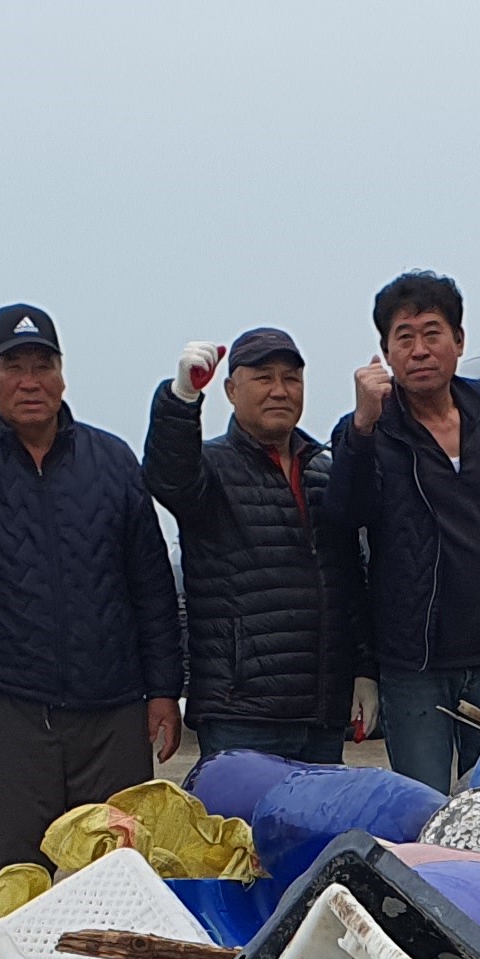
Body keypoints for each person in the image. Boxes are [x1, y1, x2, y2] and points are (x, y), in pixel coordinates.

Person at [0, 303, 181, 883]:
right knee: (19, 874)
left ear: (62, 374)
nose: (29, 381)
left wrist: (164, 689)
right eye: (12, 366)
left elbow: (150, 582)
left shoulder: (112, 459)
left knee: (118, 871)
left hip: (112, 710)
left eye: (42, 364)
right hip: (9, 712)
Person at [325, 271, 480, 793]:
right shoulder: (370, 430)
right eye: (404, 337)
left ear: (459, 342)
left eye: (432, 332)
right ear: (386, 354)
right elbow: (345, 516)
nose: (420, 349)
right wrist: (362, 428)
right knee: (423, 809)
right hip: (413, 663)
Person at [145, 327, 351, 765]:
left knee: (319, 835)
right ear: (230, 390)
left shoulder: (324, 473)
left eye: (291, 378)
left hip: (322, 715)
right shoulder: (210, 469)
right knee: (243, 836)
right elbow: (168, 475)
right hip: (241, 713)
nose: (280, 390)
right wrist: (181, 399)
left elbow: (350, 579)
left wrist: (363, 672)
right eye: (263, 377)